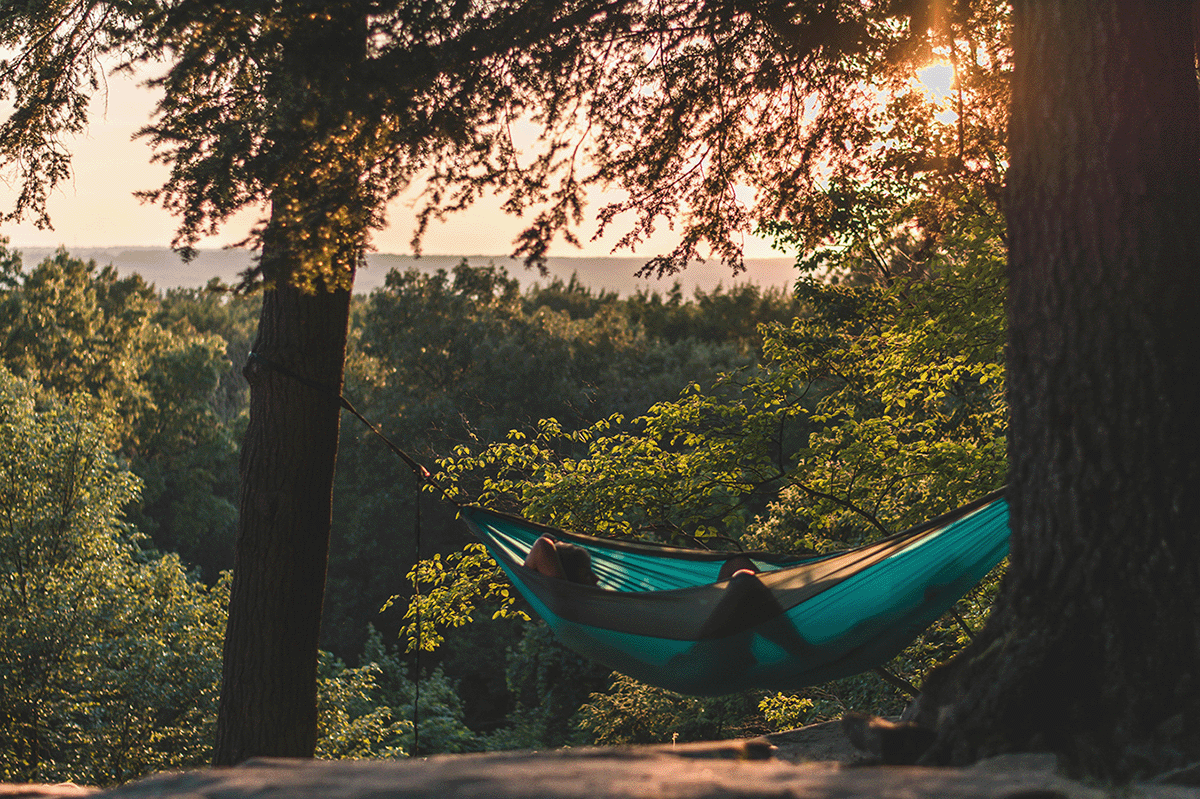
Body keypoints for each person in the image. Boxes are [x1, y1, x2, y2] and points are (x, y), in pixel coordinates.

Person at [523, 535, 600, 585]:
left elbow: (546, 537)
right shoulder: (565, 595)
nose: (597, 579)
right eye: (587, 574)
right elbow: (542, 544)